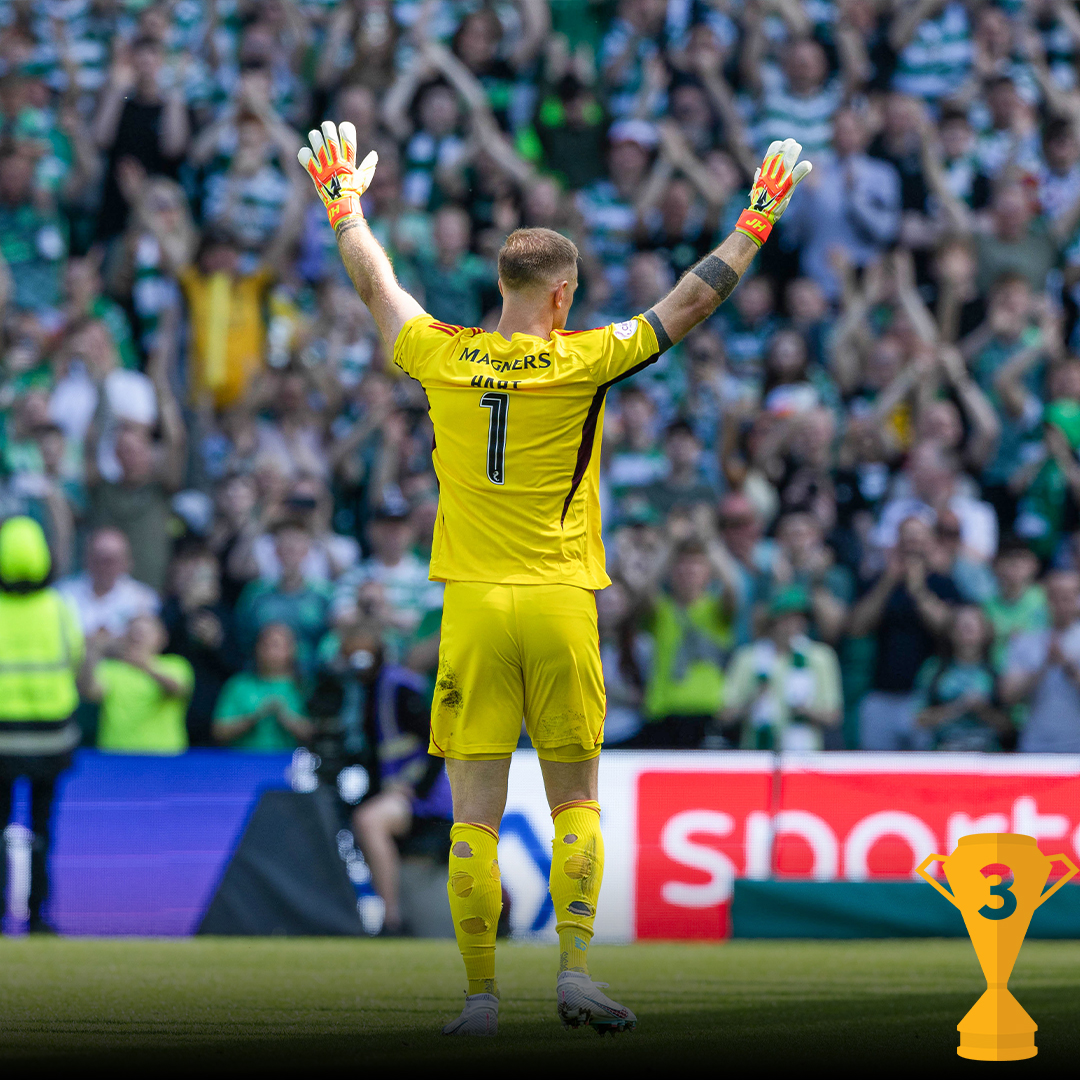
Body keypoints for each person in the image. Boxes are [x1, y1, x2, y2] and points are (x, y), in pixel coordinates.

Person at [299, 120, 810, 1034]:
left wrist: (345, 207)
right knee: (575, 800)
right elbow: (689, 303)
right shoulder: (582, 359)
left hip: (472, 609)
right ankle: (574, 971)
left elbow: (378, 285)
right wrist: (757, 219)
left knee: (473, 821)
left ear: (501, 287)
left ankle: (481, 1000)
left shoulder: (440, 353)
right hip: (561, 602)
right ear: (562, 295)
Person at [317, 621, 452, 937]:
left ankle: (391, 920)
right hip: (396, 794)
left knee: (368, 821)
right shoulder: (363, 690)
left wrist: (418, 789)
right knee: (356, 817)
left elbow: (439, 742)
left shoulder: (399, 687)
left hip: (423, 798)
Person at [0, 517, 84, 934]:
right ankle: (37, 914)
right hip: (51, 739)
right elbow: (76, 656)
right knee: (41, 829)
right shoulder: (57, 607)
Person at [849, 515, 961, 750]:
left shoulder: (943, 583)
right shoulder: (879, 582)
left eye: (919, 538)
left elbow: (947, 630)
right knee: (875, 777)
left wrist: (918, 590)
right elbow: (857, 627)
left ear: (930, 542)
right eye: (907, 537)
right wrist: (888, 582)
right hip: (881, 694)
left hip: (926, 700)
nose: (913, 544)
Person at [721, 586, 842, 751]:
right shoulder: (747, 658)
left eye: (800, 618)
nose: (794, 625)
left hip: (804, 758)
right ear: (773, 621)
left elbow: (833, 716)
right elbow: (724, 716)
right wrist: (753, 701)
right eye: (786, 618)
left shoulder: (821, 657)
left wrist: (805, 711)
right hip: (756, 756)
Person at [80, 613, 193, 754]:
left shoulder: (175, 664)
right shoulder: (112, 669)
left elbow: (178, 690)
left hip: (164, 755)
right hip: (115, 754)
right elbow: (90, 694)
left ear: (162, 638)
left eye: (144, 633)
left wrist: (144, 666)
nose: (137, 637)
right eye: (132, 632)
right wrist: (93, 652)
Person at [1000, 569, 1080, 753]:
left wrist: (1068, 667)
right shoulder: (1025, 641)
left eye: (1068, 597)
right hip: (1035, 745)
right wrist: (1045, 666)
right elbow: (1008, 696)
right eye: (1055, 597)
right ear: (1046, 599)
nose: (1061, 604)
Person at [914, 605, 1011, 751]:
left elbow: (1010, 726)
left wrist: (982, 710)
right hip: (944, 754)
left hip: (988, 756)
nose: (966, 631)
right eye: (961, 626)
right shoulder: (934, 669)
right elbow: (918, 719)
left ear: (985, 632)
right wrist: (957, 708)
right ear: (950, 633)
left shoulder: (998, 670)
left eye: (972, 626)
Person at [212, 623, 311, 751]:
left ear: (292, 649)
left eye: (276, 646)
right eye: (265, 645)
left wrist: (285, 717)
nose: (270, 651)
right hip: (243, 764)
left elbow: (315, 733)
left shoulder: (304, 687)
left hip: (290, 764)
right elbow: (218, 732)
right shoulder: (238, 685)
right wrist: (253, 718)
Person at [57, 527, 159, 640]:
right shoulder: (62, 594)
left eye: (110, 561)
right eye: (97, 559)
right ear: (87, 559)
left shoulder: (143, 599)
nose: (103, 567)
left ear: (126, 562)